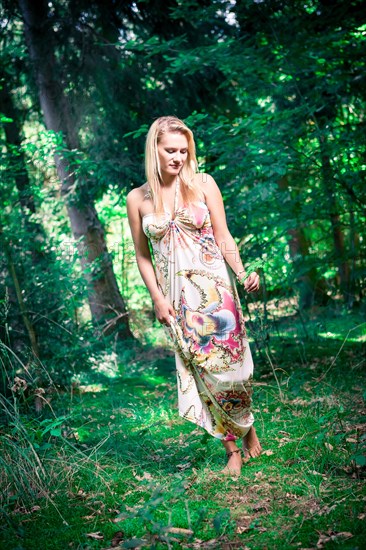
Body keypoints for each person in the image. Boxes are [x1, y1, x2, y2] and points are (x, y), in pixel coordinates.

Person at [127, 116, 262, 475]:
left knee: (233, 369)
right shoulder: (137, 199)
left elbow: (224, 236)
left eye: (184, 151)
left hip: (215, 288)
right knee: (200, 370)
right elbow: (142, 256)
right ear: (154, 150)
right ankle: (232, 447)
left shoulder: (203, 183)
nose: (178, 157)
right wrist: (157, 297)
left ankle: (246, 424)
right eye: (170, 150)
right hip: (177, 298)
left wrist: (243, 272)